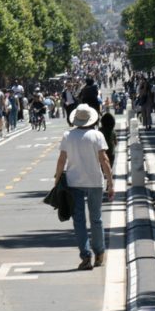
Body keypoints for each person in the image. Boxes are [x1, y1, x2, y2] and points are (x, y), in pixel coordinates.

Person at [53, 104, 114, 270]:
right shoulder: (97, 135)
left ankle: (86, 256)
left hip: (74, 183)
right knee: (96, 218)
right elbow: (105, 160)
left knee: (79, 220)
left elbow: (61, 160)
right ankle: (100, 254)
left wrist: (57, 179)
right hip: (95, 181)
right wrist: (110, 183)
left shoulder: (68, 135)